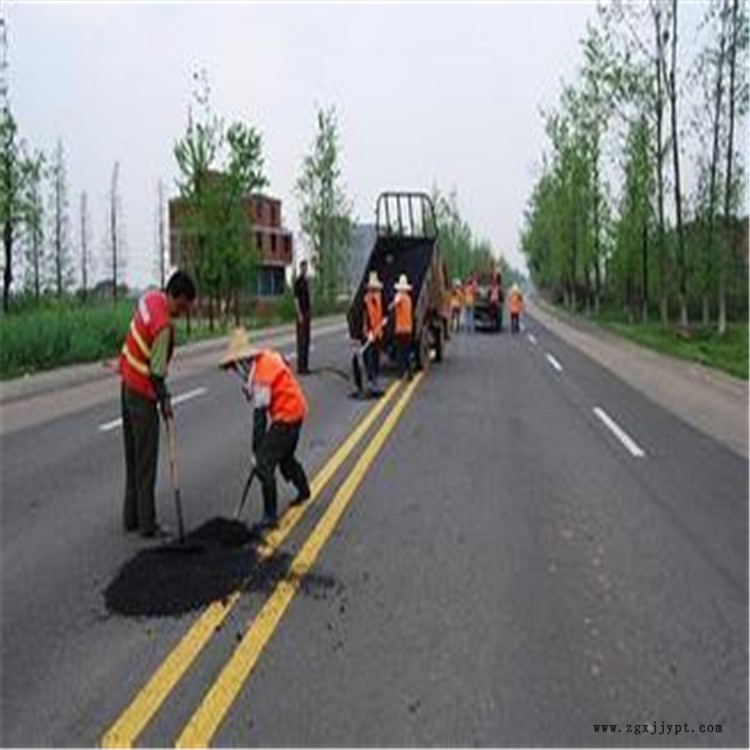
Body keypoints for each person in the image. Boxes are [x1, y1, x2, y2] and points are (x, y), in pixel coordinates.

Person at [119, 269, 196, 538]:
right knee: (146, 463)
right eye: (184, 306)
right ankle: (147, 525)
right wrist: (165, 402)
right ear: (176, 297)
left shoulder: (150, 298)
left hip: (126, 383)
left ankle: (131, 518)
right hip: (141, 391)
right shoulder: (163, 326)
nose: (183, 313)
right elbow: (156, 373)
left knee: (132, 457)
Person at [219, 327, 311, 530]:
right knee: (285, 459)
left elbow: (259, 419)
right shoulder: (265, 359)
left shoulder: (261, 375)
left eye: (234, 367)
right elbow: (282, 363)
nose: (235, 371)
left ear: (243, 361)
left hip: (288, 415)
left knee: (264, 464)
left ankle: (270, 516)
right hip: (295, 410)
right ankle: (304, 490)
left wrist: (256, 453)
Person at [362, 270, 385, 395]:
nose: (374, 290)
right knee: (368, 356)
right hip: (369, 333)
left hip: (377, 332)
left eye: (375, 288)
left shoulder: (379, 298)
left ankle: (375, 376)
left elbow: (381, 314)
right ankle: (371, 379)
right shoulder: (366, 300)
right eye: (372, 288)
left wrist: (383, 321)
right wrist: (367, 332)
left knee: (376, 356)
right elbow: (365, 317)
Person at [389, 273, 414, 380]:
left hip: (400, 329)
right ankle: (409, 373)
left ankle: (401, 373)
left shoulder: (400, 297)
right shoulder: (408, 298)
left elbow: (393, 305)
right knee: (406, 351)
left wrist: (391, 305)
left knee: (400, 352)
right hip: (408, 328)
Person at [293, 259, 311, 375]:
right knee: (302, 340)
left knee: (307, 340)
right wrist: (299, 313)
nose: (305, 269)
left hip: (307, 313)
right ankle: (300, 367)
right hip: (301, 314)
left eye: (306, 267)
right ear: (301, 268)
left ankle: (305, 365)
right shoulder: (298, 282)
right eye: (304, 267)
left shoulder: (306, 281)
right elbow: (296, 299)